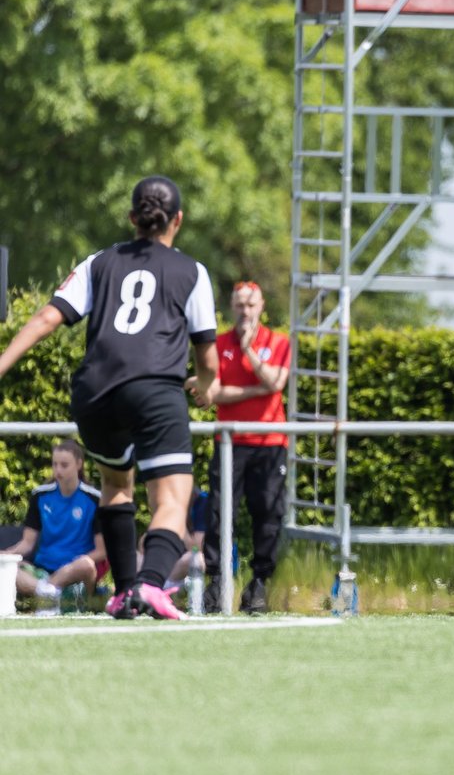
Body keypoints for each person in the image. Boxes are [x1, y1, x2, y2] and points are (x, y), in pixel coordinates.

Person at [0, 175, 219, 620]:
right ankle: (152, 585)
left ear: (131, 218)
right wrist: (206, 384)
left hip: (95, 392)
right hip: (155, 389)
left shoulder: (98, 262)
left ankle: (123, 592)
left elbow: (47, 317)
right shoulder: (191, 272)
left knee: (117, 488)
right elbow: (207, 355)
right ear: (178, 220)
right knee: (173, 500)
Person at [186, 280, 290, 614]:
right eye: (239, 304)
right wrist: (257, 389)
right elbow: (211, 393)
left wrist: (247, 352)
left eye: (251, 304)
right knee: (218, 514)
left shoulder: (278, 341)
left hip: (270, 442)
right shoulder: (216, 344)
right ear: (232, 306)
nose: (245, 311)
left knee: (268, 514)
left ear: (261, 306)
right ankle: (218, 584)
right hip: (230, 442)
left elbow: (276, 382)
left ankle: (258, 585)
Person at [0, 440, 107, 613]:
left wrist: (68, 569)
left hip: (75, 572)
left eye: (64, 465)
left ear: (79, 464)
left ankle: (47, 593)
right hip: (41, 571)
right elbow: (27, 543)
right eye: (55, 464)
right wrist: (7, 555)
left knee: (86, 565)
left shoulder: (94, 499)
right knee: (11, 569)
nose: (58, 470)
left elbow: (102, 551)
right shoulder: (40, 495)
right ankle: (49, 594)